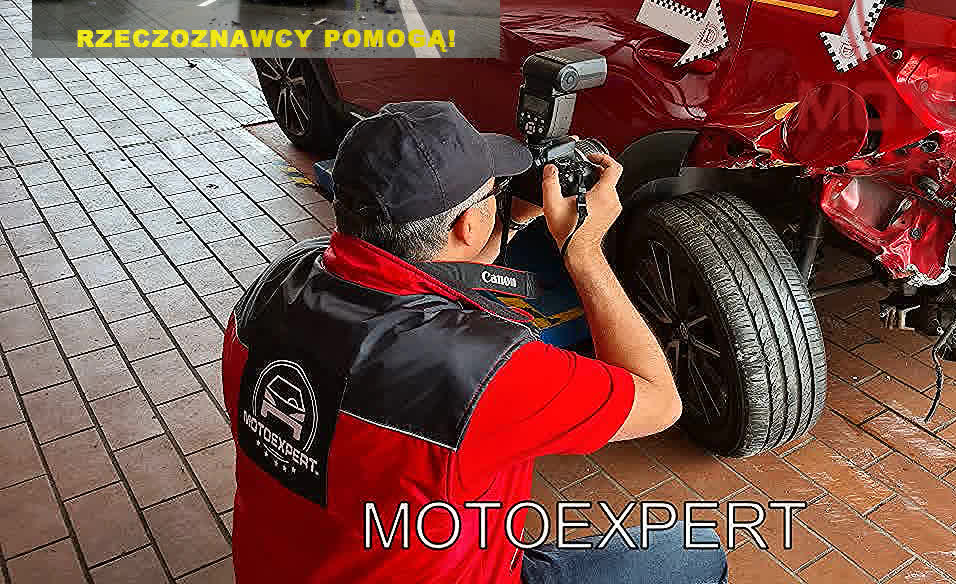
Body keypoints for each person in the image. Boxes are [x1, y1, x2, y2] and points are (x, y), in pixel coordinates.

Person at [222, 101, 726, 584]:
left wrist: (511, 217)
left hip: (287, 565)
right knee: (694, 551)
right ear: (467, 224)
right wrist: (585, 253)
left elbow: (425, 274)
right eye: (492, 192)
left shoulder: (274, 288)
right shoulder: (483, 373)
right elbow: (660, 402)